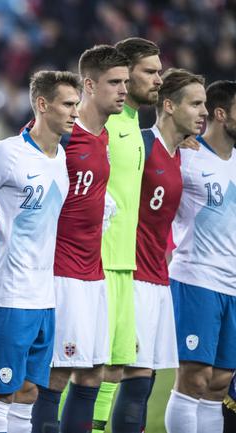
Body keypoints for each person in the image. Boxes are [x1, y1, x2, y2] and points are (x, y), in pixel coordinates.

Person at [30, 45, 130, 433]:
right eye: (114, 82)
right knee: (56, 375)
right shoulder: (63, 137)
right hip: (61, 273)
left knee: (93, 373)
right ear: (89, 84)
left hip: (94, 273)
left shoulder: (101, 137)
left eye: (125, 81)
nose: (123, 89)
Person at [0, 70, 77, 433]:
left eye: (77, 104)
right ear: (42, 104)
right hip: (7, 294)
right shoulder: (6, 154)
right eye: (67, 104)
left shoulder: (61, 156)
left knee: (30, 391)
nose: (75, 112)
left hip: (43, 296)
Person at [117, 69, 207, 433]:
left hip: (158, 278)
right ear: (168, 106)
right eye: (195, 103)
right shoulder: (141, 145)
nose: (203, 111)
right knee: (133, 379)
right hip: (133, 276)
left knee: (146, 379)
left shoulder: (180, 155)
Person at [92, 37, 163, 433]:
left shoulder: (133, 125)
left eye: (159, 71)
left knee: (115, 368)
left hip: (124, 263)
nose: (158, 79)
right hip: (95, 263)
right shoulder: (102, 124)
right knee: (87, 368)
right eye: (149, 72)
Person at [165, 79, 236, 433]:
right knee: (194, 377)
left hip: (233, 286)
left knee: (220, 381)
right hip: (196, 279)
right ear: (222, 114)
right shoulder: (187, 157)